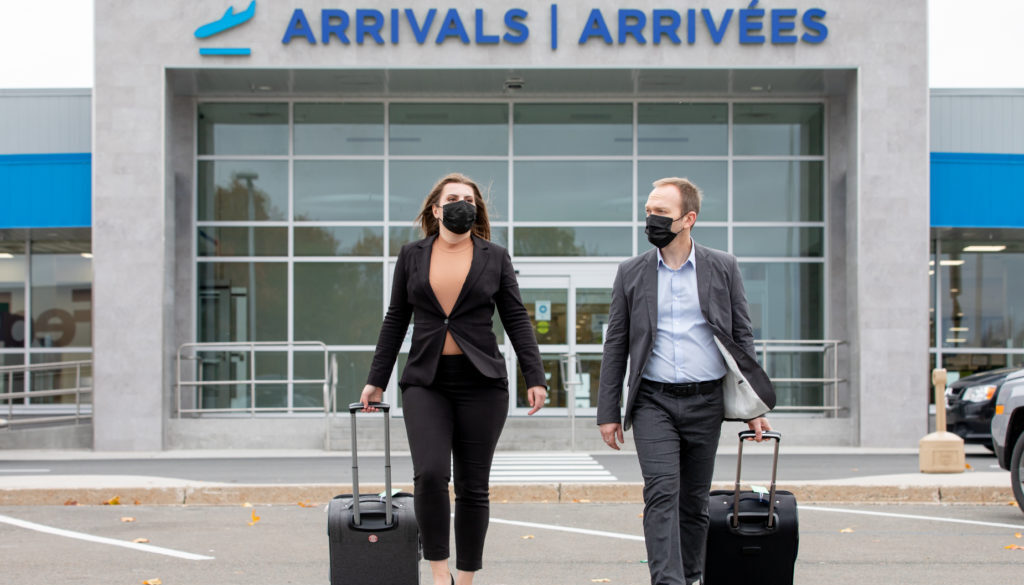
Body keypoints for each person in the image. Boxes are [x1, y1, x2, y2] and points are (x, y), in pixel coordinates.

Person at [360, 173, 548, 585]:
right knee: (429, 473)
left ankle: (465, 579)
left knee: (472, 485)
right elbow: (396, 319)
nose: (462, 203)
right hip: (426, 381)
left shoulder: (494, 256)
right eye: (453, 198)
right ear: (436, 209)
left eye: (469, 198)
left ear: (476, 209)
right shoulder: (412, 255)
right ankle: (439, 573)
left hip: (482, 383)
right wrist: (377, 378)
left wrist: (535, 375)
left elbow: (515, 317)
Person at [597, 177, 776, 585]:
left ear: (688, 219)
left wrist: (754, 408)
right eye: (648, 211)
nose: (651, 219)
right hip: (652, 402)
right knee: (661, 494)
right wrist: (608, 411)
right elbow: (616, 344)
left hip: (706, 401)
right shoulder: (631, 273)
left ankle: (692, 577)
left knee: (693, 503)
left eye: (661, 212)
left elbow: (742, 338)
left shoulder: (723, 266)